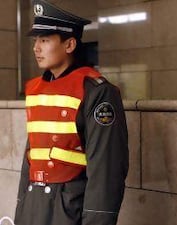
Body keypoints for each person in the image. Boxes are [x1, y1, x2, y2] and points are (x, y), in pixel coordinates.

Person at [14, 0, 129, 225]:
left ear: (69, 45)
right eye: (36, 40)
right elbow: (31, 157)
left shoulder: (96, 92)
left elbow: (106, 170)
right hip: (33, 206)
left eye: (45, 40)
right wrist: (21, 210)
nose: (36, 47)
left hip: (69, 210)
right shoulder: (36, 89)